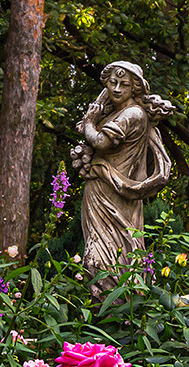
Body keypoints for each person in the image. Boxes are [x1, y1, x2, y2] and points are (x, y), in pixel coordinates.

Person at [71, 62, 174, 276]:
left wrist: (90, 122)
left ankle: (117, 304)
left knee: (105, 258)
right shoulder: (116, 114)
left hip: (112, 192)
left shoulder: (132, 114)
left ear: (134, 88)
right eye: (112, 83)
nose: (117, 89)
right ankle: (109, 303)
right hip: (102, 192)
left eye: (124, 84)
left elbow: (101, 142)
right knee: (103, 255)